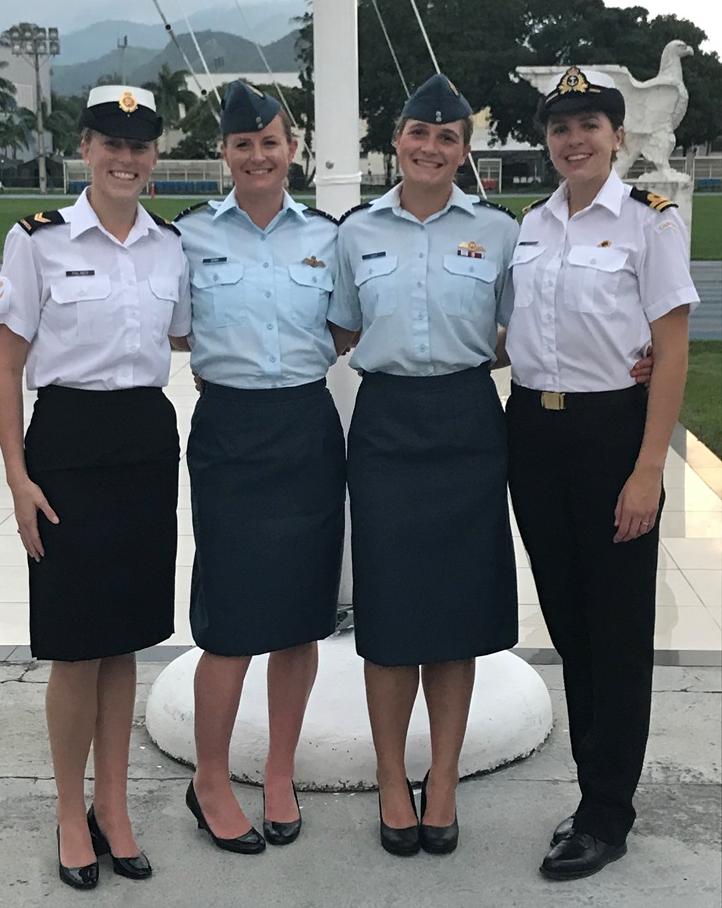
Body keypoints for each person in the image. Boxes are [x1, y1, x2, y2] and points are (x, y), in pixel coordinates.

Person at [0, 85, 190, 889]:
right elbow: (5, 367)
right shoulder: (37, 240)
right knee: (76, 647)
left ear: (154, 156)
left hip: (144, 443)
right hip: (66, 446)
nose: (126, 157)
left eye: (140, 146)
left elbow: (204, 333)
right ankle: (71, 811)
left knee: (125, 638)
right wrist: (16, 476)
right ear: (85, 147)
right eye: (111, 142)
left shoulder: (169, 244)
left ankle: (115, 806)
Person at [504, 67, 698, 881]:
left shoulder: (651, 222)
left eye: (590, 125)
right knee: (571, 622)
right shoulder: (531, 223)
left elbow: (674, 346)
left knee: (616, 630)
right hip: (534, 434)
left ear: (618, 137)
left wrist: (649, 467)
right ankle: (592, 792)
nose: (574, 140)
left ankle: (608, 814)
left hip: (612, 434)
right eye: (560, 127)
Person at [327, 74, 520, 857]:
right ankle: (388, 778)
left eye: (447, 137)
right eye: (418, 133)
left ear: (464, 150)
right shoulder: (354, 232)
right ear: (396, 142)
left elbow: (520, 332)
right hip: (387, 425)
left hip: (470, 420)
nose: (430, 147)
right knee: (389, 614)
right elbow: (342, 327)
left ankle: (441, 778)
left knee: (454, 615)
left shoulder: (501, 232)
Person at [173, 81, 347, 854]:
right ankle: (211, 780)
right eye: (243, 144)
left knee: (301, 618)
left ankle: (279, 773)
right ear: (225, 153)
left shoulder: (330, 237)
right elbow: (177, 329)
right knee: (232, 622)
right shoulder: (190, 237)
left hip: (307, 428)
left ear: (293, 149)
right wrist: (232, 364)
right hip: (232, 433)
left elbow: (343, 328)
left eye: (270, 142)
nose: (258, 155)